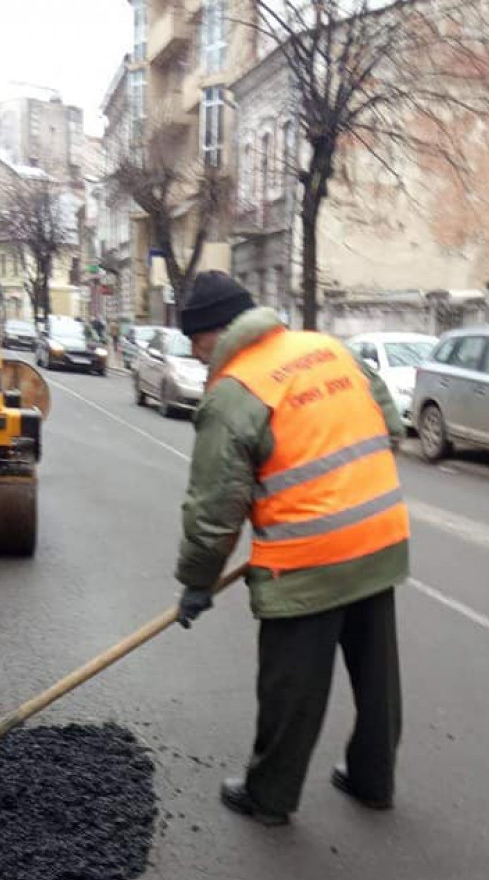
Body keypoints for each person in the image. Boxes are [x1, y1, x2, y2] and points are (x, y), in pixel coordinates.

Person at [174, 272, 409, 825]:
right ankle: (374, 780)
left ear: (214, 334)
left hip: (307, 561)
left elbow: (213, 512)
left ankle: (270, 795)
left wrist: (197, 583)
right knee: (377, 675)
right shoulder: (327, 348)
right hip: (379, 537)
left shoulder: (233, 393)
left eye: (194, 339)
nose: (192, 351)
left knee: (292, 686)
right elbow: (391, 427)